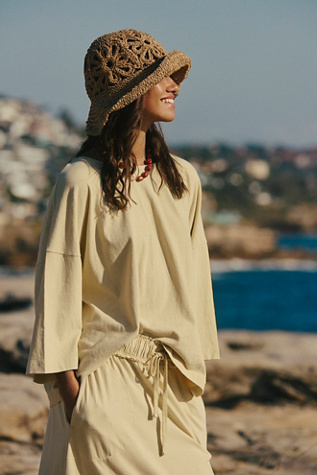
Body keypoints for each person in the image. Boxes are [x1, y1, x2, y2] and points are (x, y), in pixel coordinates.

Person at [26, 29, 219, 475]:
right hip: (105, 382)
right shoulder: (80, 181)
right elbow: (57, 290)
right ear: (130, 95)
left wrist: (195, 373)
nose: (175, 87)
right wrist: (76, 401)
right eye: (161, 77)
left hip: (174, 388)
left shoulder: (183, 180)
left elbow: (196, 281)